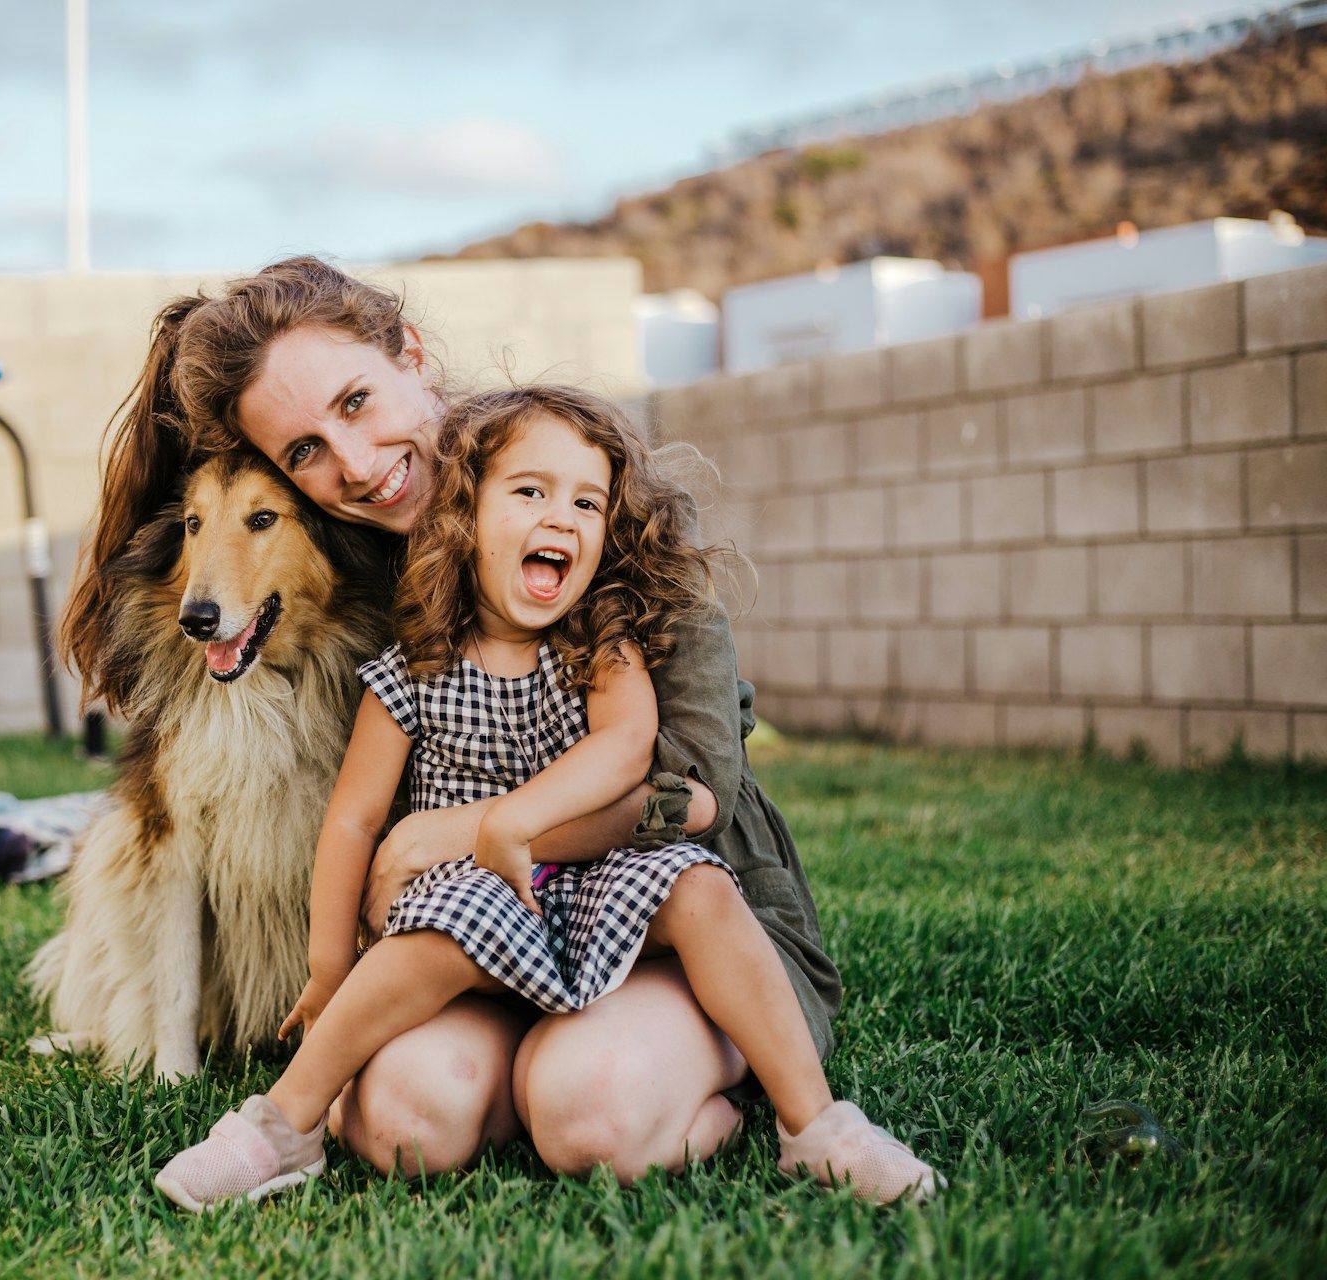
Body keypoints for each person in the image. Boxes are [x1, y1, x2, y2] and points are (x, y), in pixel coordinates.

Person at [60, 256, 908, 1193]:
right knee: (401, 1126)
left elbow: (683, 796)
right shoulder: (361, 576)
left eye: (355, 401)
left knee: (598, 1119)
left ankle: (732, 1099)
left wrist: (452, 832)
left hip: (669, 919)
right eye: (303, 452)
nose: (354, 464)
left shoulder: (587, 511)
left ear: (410, 356)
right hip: (478, 929)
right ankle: (496, 1075)